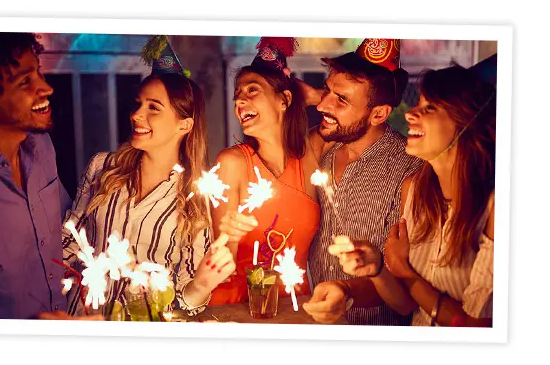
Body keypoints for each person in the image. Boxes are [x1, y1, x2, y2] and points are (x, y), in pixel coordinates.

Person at [62, 36, 235, 317]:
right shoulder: (101, 167)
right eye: (138, 104)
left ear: (185, 124)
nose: (137, 114)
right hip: (82, 322)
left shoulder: (195, 197)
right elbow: (68, 242)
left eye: (153, 107)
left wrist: (202, 284)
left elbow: (185, 303)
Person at [322, 64, 496, 327]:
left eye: (429, 108)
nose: (411, 114)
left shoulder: (494, 208)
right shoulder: (414, 190)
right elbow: (405, 304)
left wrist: (404, 272)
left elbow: (476, 328)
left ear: (467, 122)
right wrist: (379, 267)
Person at [299, 39, 423, 326]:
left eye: (341, 99)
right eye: (326, 91)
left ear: (378, 114)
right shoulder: (324, 150)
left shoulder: (411, 171)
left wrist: (346, 292)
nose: (322, 104)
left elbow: (407, 287)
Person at [0, 32, 72, 319]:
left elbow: (65, 230)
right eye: (24, 81)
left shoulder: (41, 147)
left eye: (38, 72)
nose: (46, 88)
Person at [209, 37, 320, 305]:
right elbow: (223, 262)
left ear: (285, 100)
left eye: (252, 91)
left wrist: (313, 96)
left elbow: (348, 108)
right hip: (241, 307)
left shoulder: (311, 156)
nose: (239, 100)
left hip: (297, 309)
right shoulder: (231, 163)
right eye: (237, 94)